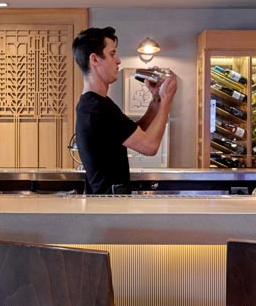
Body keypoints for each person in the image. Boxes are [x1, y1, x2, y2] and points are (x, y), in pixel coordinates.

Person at [71, 26, 177, 194]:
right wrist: (167, 101)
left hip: (106, 201)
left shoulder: (93, 104)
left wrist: (156, 99)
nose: (118, 60)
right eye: (112, 54)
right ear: (95, 59)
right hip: (108, 203)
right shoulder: (97, 108)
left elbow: (137, 132)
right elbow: (150, 146)